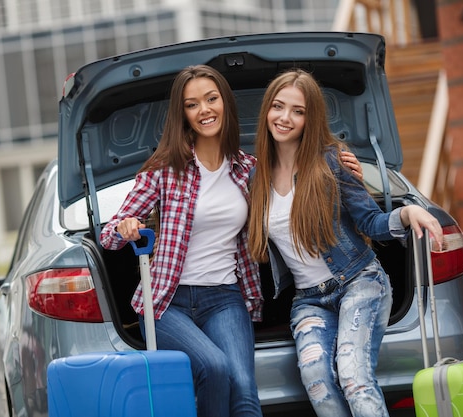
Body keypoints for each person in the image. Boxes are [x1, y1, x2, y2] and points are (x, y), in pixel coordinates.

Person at [100, 65, 364, 417]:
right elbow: (109, 233)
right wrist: (125, 227)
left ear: (225, 103)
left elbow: (300, 183)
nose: (205, 110)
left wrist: (347, 173)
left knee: (243, 389)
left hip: (225, 298)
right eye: (193, 104)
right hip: (167, 301)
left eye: (212, 99)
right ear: (183, 114)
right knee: (214, 367)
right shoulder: (164, 169)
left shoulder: (249, 169)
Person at [247, 69, 443, 417]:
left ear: (311, 118)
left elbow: (371, 222)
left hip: (359, 282)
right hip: (310, 300)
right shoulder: (255, 176)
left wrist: (407, 214)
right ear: (267, 111)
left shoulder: (330, 162)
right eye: (278, 107)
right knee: (318, 381)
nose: (285, 118)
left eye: (298, 110)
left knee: (354, 377)